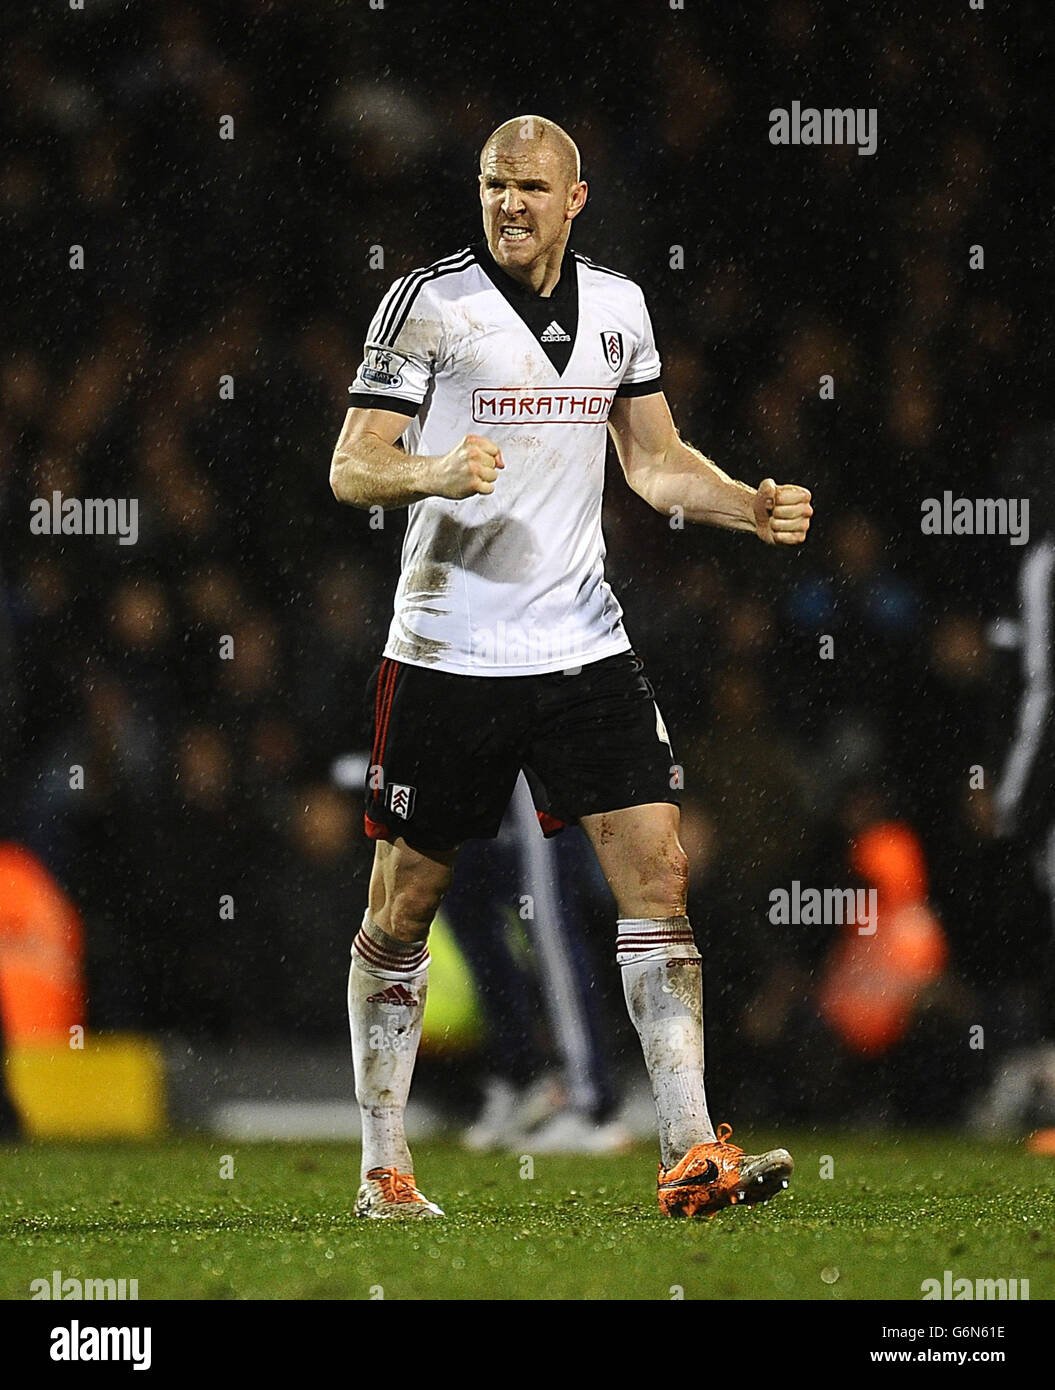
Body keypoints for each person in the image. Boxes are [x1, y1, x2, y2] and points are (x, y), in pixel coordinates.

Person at [329, 115, 813, 1219]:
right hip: (447, 646)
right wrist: (436, 468)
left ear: (575, 199)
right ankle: (383, 1165)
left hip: (580, 643)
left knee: (658, 873)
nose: (510, 204)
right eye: (495, 185)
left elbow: (651, 465)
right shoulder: (428, 304)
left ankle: (689, 1148)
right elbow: (351, 467)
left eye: (532, 188)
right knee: (403, 906)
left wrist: (745, 505)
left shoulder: (620, 308)